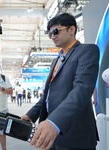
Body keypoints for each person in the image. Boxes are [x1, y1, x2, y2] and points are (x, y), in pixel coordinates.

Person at [21, 13, 99, 150]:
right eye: (50, 34)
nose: (53, 36)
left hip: (75, 136)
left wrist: (54, 122)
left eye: (56, 31)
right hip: (53, 136)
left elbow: (81, 90)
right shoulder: (56, 60)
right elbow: (48, 95)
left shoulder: (87, 51)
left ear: (72, 30)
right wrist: (30, 115)